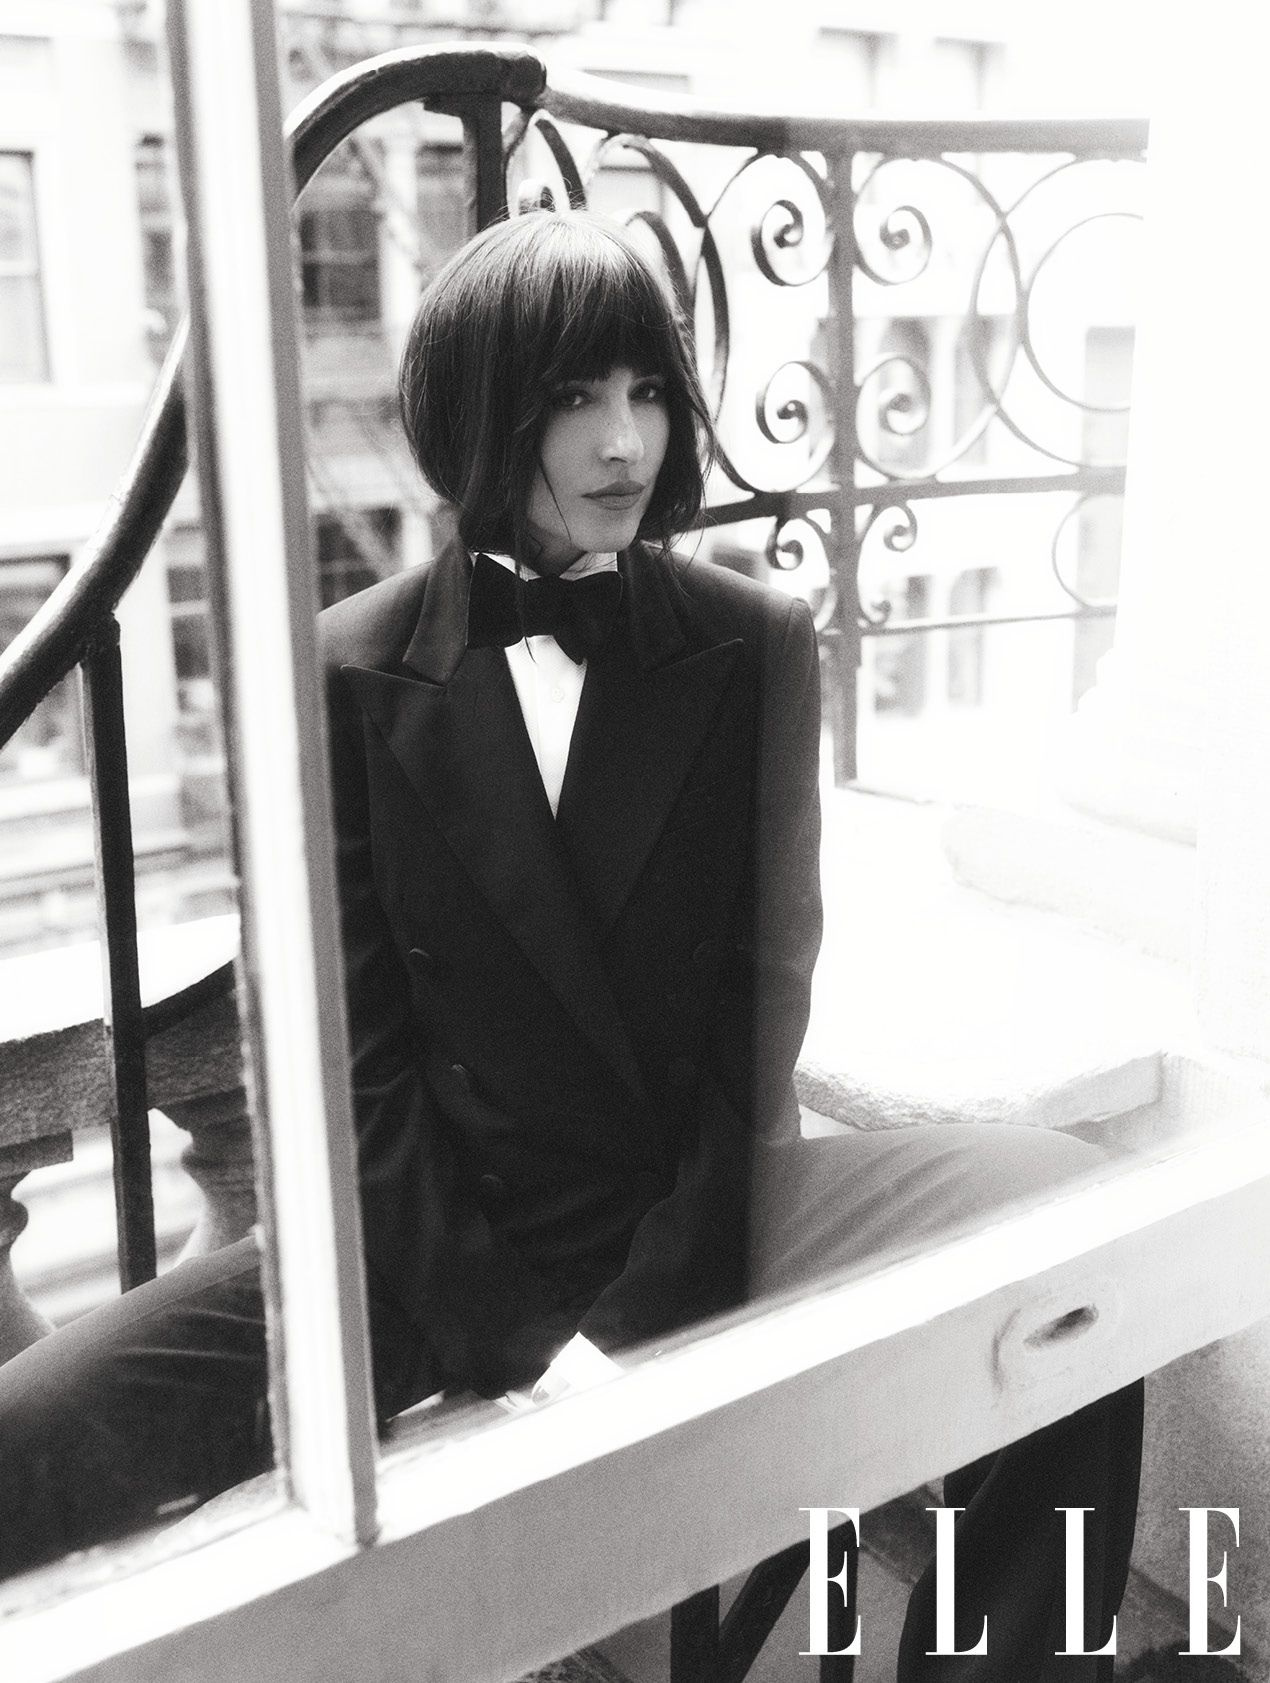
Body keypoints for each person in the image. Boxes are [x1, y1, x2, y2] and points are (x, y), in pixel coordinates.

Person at [0, 209, 1141, 1679]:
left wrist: (655, 1306)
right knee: (28, 1440)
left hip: (694, 1206)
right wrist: (519, 1339)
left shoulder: (752, 639)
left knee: (1087, 1249)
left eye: (648, 392)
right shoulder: (336, 671)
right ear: (480, 412)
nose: (625, 444)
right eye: (574, 398)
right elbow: (352, 1071)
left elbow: (757, 1015)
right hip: (418, 1244)